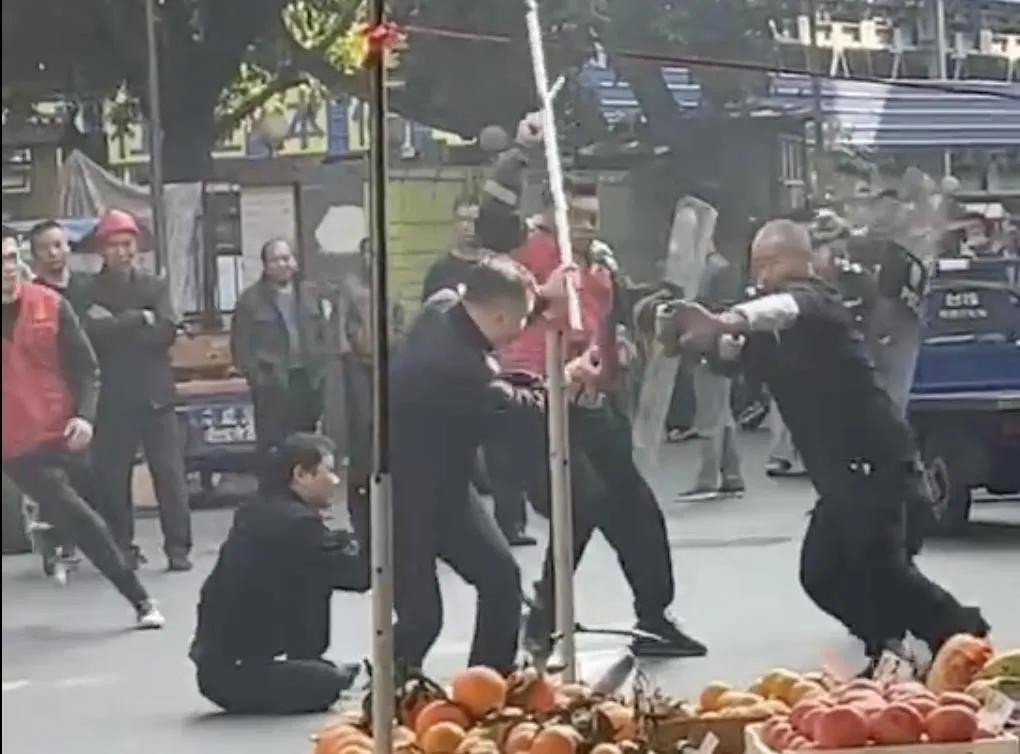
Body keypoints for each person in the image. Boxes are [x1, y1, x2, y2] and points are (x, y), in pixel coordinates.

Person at [659, 219, 988, 667]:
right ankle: (891, 647)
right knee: (825, 575)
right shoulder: (771, 325)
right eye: (757, 267)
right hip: (841, 474)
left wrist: (725, 320)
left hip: (875, 462)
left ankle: (963, 635)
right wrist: (694, 338)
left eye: (767, 264)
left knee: (882, 571)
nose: (760, 276)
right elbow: (734, 355)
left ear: (794, 260)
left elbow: (784, 308)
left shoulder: (818, 303)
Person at [502, 177, 707, 659]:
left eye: (592, 218)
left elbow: (617, 314)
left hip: (593, 402)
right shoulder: (525, 252)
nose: (585, 226)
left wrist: (633, 335)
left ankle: (654, 616)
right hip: (536, 401)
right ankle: (545, 614)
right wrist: (519, 155)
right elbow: (496, 233)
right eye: (575, 216)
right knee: (582, 502)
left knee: (636, 508)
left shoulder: (600, 263)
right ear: (549, 214)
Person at [390, 256, 549, 673]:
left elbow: (499, 378)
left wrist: (542, 300)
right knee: (421, 619)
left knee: (500, 579)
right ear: (499, 317)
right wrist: (560, 385)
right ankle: (387, 700)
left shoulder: (443, 304)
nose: (522, 330)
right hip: (395, 493)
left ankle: (487, 685)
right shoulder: (459, 368)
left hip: (447, 483)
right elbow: (516, 413)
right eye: (522, 320)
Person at [2, 229, 164, 629]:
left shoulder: (50, 305)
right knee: (71, 510)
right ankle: (135, 596)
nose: (6, 268)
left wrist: (85, 417)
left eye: (10, 257)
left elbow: (87, 370)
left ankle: (136, 595)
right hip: (13, 440)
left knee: (90, 510)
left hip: (59, 430)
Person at [190, 433, 366, 714]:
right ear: (301, 475)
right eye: (329, 471)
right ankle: (300, 670)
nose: (335, 481)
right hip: (235, 672)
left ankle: (301, 663)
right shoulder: (294, 523)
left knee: (312, 576)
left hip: (219, 666)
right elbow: (358, 576)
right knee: (327, 683)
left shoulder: (260, 511)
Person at [420, 197, 535, 547]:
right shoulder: (441, 272)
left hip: (500, 363)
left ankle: (511, 523)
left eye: (475, 220)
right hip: (460, 373)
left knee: (505, 450)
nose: (469, 227)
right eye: (463, 220)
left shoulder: (498, 267)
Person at [86, 209, 193, 572]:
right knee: (113, 479)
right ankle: (122, 547)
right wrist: (138, 318)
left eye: (127, 244)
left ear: (137, 247)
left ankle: (178, 548)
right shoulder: (90, 289)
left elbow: (165, 331)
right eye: (114, 245)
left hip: (155, 395)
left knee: (170, 476)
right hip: (112, 397)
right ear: (102, 249)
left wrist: (118, 325)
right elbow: (90, 335)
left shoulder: (154, 286)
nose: (122, 252)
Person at [28, 220, 96, 572]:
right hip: (47, 392)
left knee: (93, 471)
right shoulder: (29, 296)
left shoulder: (88, 288)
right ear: (35, 255)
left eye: (59, 245)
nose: (54, 253)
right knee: (53, 472)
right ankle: (59, 542)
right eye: (46, 248)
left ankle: (105, 541)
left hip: (88, 384)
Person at [231, 238, 330, 459]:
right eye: (276, 260)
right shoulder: (251, 300)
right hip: (272, 387)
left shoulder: (310, 294)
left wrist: (321, 370)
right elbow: (240, 346)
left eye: (287, 258)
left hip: (307, 382)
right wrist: (258, 379)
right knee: (274, 450)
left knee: (307, 448)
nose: (283, 264)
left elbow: (323, 335)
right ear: (266, 265)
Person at [676, 244, 745, 501]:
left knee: (709, 416)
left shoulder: (710, 271)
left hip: (709, 349)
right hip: (718, 349)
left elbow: (709, 311)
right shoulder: (720, 269)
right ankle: (731, 474)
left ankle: (708, 478)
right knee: (721, 415)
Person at [29, 220, 93, 314]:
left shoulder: (90, 285)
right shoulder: (31, 295)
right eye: (43, 248)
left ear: (68, 247)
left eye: (57, 245)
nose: (53, 253)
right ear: (34, 254)